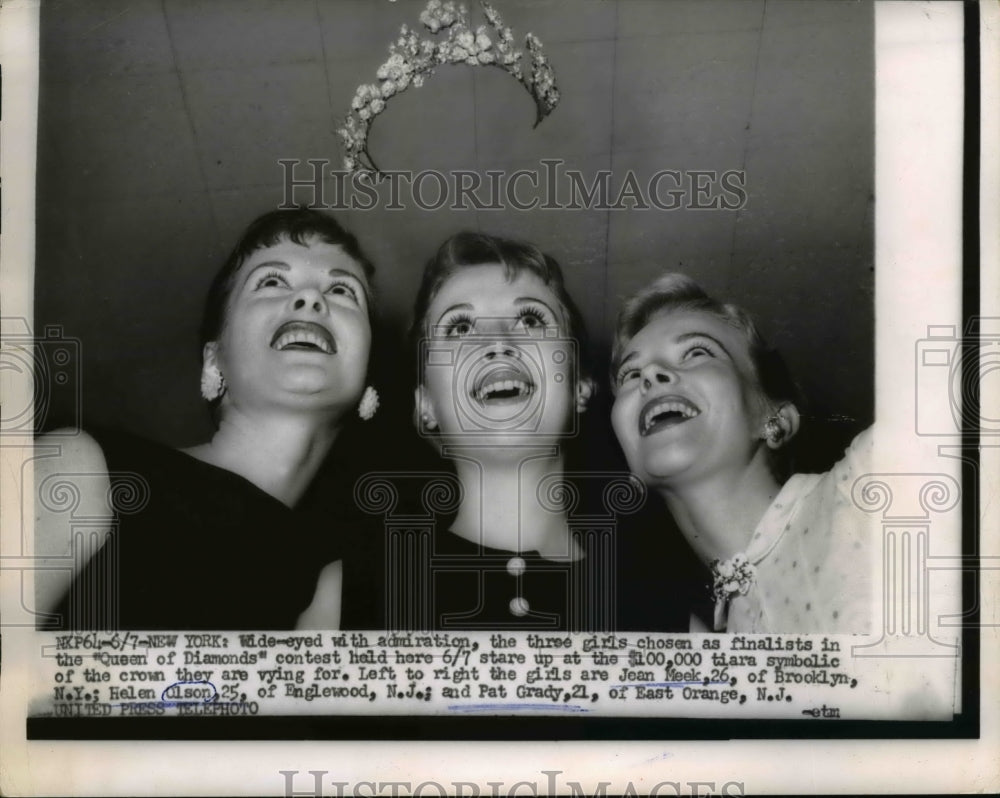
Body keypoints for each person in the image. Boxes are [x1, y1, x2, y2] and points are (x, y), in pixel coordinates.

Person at [35, 208, 379, 630]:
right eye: (271, 282)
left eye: (343, 291)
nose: (311, 299)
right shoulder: (80, 467)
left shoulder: (332, 585)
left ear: (368, 382)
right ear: (214, 362)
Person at [352, 231, 617, 631]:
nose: (496, 341)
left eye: (530, 319)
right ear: (426, 405)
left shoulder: (663, 607)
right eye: (459, 328)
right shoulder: (351, 591)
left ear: (579, 385)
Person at [609, 273, 873, 633]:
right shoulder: (702, 642)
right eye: (630, 372)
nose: (651, 373)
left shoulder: (870, 486)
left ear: (775, 419)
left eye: (697, 352)